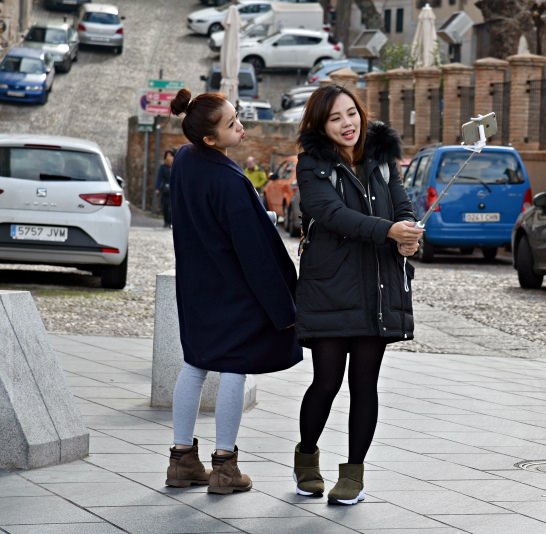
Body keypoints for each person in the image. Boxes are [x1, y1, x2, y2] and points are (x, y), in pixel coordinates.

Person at [165, 88, 302, 495]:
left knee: (194, 365)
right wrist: (285, 307)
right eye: (230, 123)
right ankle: (225, 466)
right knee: (234, 369)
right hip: (232, 290)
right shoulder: (228, 180)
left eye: (236, 115)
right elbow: (256, 253)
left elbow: (208, 219)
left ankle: (180, 461)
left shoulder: (187, 160)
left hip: (195, 285)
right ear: (210, 139)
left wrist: (261, 214)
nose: (240, 125)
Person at [292, 85, 423, 505]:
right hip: (330, 287)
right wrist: (386, 230)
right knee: (326, 381)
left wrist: (407, 235)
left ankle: (352, 475)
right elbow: (330, 215)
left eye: (352, 113)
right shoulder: (312, 164)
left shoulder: (383, 159)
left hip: (377, 287)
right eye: (335, 118)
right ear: (321, 125)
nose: (348, 123)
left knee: (365, 383)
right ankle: (307, 457)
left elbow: (402, 207)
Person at [155, 148, 175, 228]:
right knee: (165, 207)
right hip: (165, 190)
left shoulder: (175, 167)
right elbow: (159, 178)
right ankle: (166, 222)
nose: (169, 157)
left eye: (171, 156)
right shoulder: (163, 168)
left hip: (173, 191)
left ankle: (171, 222)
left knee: (172, 208)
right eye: (168, 156)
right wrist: (158, 188)